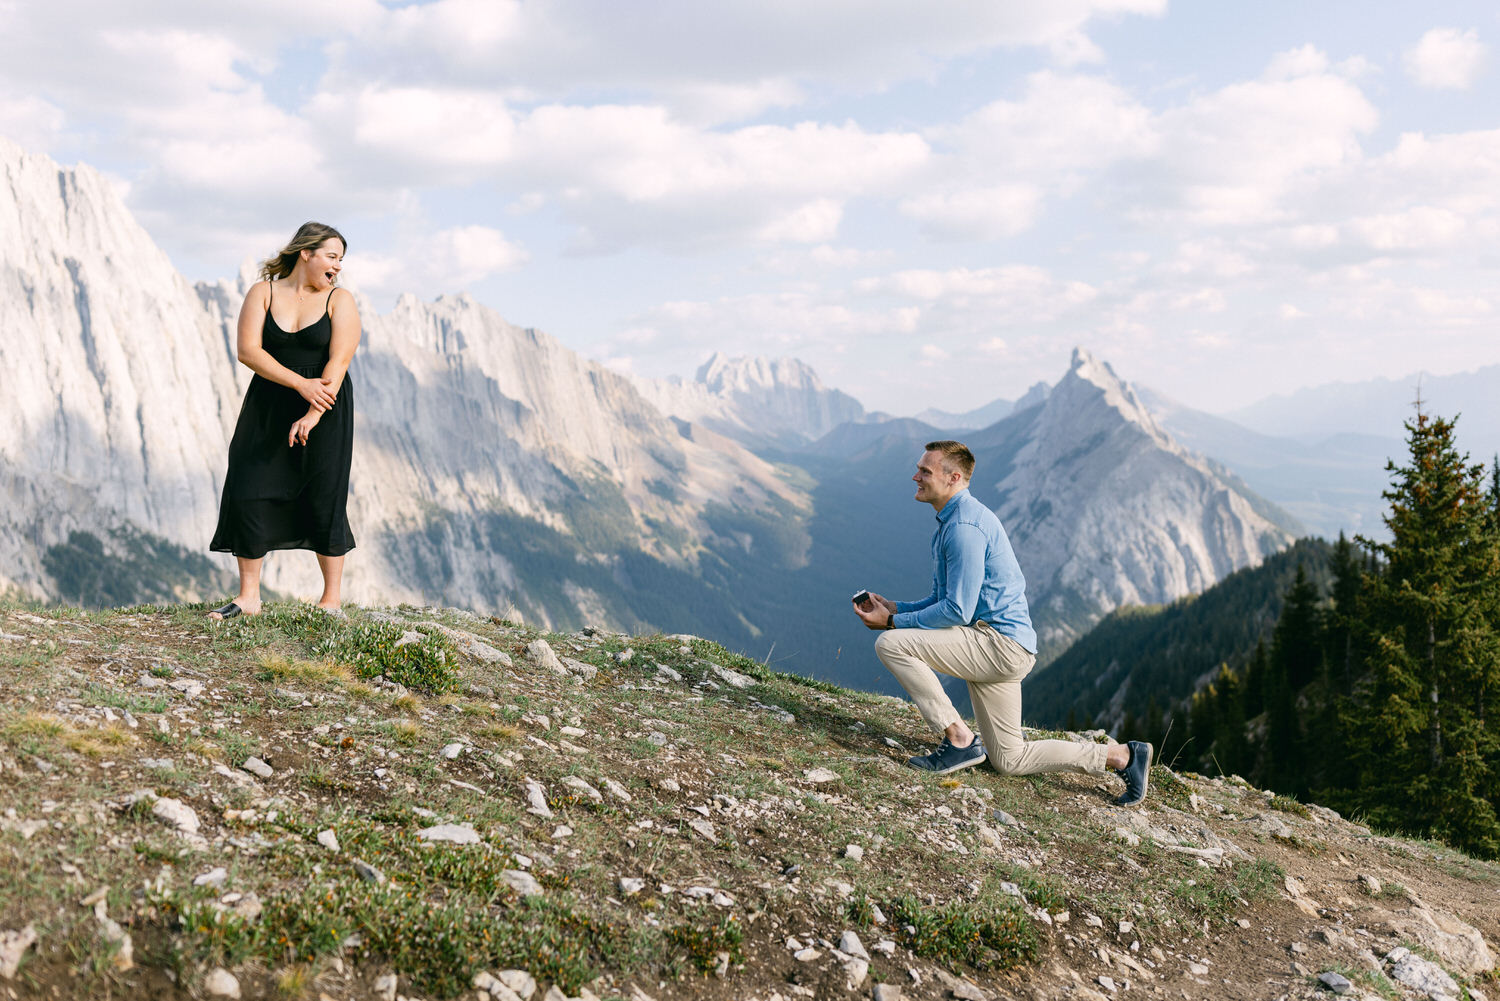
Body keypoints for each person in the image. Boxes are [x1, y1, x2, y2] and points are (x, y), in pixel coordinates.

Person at [853, 440, 1151, 806]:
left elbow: (957, 612)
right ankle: (1123, 756)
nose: (915, 476)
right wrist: (895, 607)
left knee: (891, 644)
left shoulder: (963, 528)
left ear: (954, 477)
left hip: (997, 646)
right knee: (1010, 760)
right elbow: (944, 601)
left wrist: (894, 622)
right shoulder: (955, 520)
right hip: (1004, 645)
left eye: (925, 471)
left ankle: (959, 739)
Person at [207, 222, 361, 619]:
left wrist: (313, 410)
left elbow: (339, 361)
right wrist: (299, 385)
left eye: (341, 259)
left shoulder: (339, 300)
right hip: (269, 402)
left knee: (324, 492)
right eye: (332, 256)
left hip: (325, 405)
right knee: (247, 483)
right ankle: (249, 598)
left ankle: (330, 602)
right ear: (305, 253)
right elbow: (248, 351)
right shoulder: (263, 292)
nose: (338, 266)